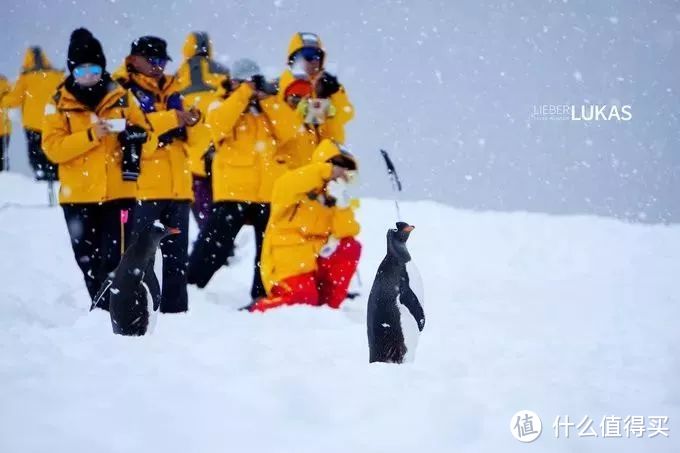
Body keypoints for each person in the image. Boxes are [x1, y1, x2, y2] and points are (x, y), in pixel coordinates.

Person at [41, 28, 179, 307]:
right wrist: (91, 136)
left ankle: (114, 312)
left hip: (119, 193)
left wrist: (138, 137)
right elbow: (53, 149)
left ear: (102, 67)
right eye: (81, 71)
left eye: (94, 69)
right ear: (72, 71)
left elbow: (148, 137)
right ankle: (101, 308)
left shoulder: (120, 97)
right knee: (87, 260)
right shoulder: (58, 103)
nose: (89, 76)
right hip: (78, 196)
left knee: (115, 258)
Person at [187, 58, 301, 302]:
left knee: (267, 251)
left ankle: (262, 296)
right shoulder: (220, 103)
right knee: (214, 245)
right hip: (233, 191)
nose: (248, 87)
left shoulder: (270, 108)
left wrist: (268, 99)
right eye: (243, 82)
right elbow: (217, 126)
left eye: (252, 82)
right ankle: (190, 287)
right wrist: (243, 95)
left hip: (268, 192)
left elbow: (290, 131)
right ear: (232, 82)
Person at [114, 36, 201, 314]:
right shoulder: (121, 89)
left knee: (177, 262)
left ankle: (176, 317)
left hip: (178, 188)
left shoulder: (175, 90)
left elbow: (196, 141)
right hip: (142, 189)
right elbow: (136, 134)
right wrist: (174, 120)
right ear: (134, 59)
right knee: (139, 259)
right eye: (153, 61)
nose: (158, 67)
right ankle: (134, 314)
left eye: (162, 61)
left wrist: (194, 122)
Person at [248, 139, 361, 312]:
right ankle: (260, 308)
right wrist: (327, 172)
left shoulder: (337, 198)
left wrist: (342, 205)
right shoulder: (296, 185)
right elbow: (285, 185)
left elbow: (347, 232)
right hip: (289, 262)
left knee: (350, 246)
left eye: (345, 168)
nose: (340, 172)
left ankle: (328, 306)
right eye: (336, 164)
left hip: (317, 262)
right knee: (302, 300)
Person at [175, 31, 230, 228]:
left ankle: (210, 239)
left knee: (203, 210)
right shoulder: (223, 72)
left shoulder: (177, 77)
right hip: (219, 151)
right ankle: (225, 245)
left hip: (193, 158)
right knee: (224, 207)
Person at [277, 32, 354, 169]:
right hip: (292, 168)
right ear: (293, 59)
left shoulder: (326, 86)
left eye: (318, 56)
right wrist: (318, 102)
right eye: (308, 55)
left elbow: (345, 115)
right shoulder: (286, 85)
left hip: (322, 167)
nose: (314, 61)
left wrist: (334, 93)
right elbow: (295, 122)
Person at [1, 46, 64, 180]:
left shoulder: (26, 78)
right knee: (55, 151)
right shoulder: (57, 76)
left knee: (37, 156)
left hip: (33, 125)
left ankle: (42, 177)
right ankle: (56, 177)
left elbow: (13, 100)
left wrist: (3, 96)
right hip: (54, 122)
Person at [0, 75, 11, 171]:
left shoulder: (4, 82)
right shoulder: (4, 82)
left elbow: (10, 100)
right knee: (3, 156)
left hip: (3, 128)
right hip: (4, 128)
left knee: (2, 156)